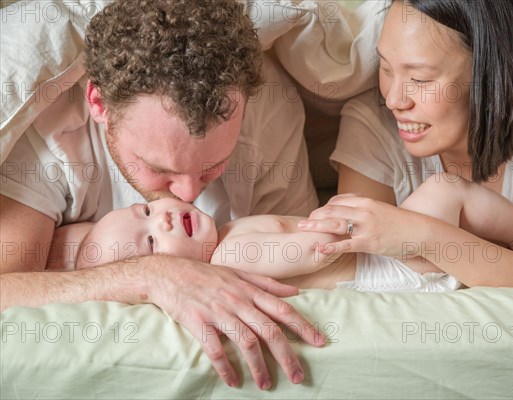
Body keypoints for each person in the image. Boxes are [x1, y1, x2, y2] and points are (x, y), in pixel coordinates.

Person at [0, 0, 321, 390]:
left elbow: (307, 271)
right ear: (99, 105)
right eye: (160, 169)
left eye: (212, 166)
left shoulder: (267, 114)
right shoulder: (50, 139)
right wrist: (152, 277)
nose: (188, 193)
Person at [298, 0, 513, 299]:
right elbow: (360, 270)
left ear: (490, 74)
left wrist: (424, 237)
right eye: (386, 68)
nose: (394, 100)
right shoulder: (372, 125)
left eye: (420, 79)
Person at [52, 174, 513, 294]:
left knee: (443, 198)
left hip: (385, 251)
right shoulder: (233, 254)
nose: (160, 218)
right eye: (149, 241)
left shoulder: (230, 228)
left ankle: (510, 237)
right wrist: (338, 222)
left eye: (144, 209)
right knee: (442, 189)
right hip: (388, 267)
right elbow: (312, 251)